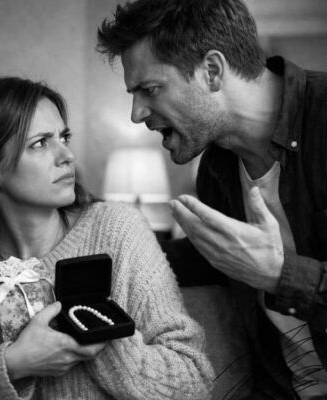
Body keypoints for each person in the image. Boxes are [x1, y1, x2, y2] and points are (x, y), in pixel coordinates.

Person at [0, 77, 214, 400]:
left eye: (64, 137)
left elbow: (193, 380)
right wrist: (12, 366)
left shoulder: (118, 230)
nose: (67, 156)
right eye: (40, 143)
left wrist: (97, 337)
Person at [96, 0, 327, 398]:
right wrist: (102, 250)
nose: (136, 114)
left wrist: (279, 274)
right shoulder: (217, 168)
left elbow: (258, 264)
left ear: (213, 71)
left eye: (150, 89)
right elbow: (211, 257)